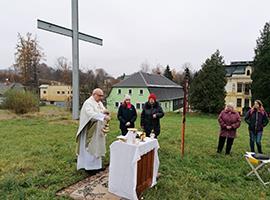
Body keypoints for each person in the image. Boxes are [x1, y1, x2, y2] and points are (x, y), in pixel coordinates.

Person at [76, 88, 111, 171]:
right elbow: (90, 114)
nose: (101, 98)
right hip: (90, 129)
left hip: (98, 129)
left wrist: (105, 111)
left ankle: (96, 166)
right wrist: (103, 116)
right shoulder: (88, 103)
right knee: (91, 147)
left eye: (102, 96)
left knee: (98, 146)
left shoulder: (99, 103)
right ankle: (89, 167)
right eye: (99, 96)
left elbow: (102, 110)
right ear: (94, 94)